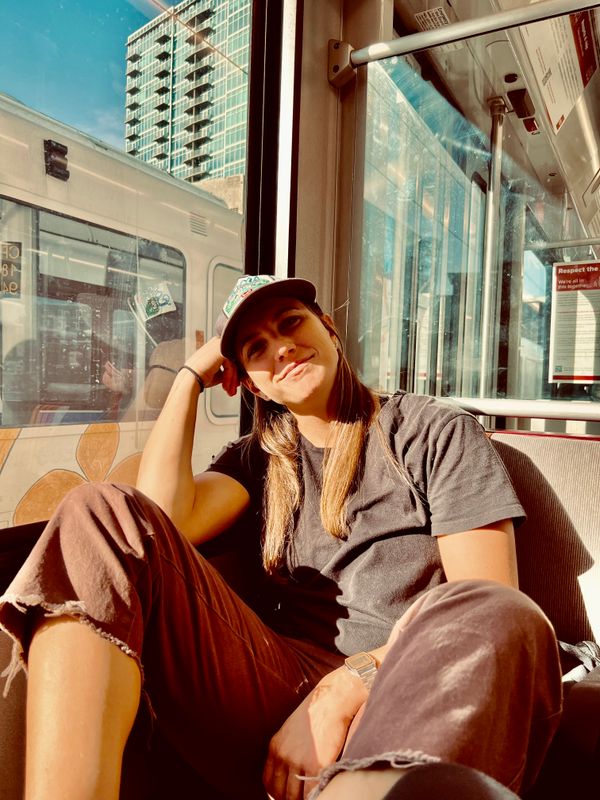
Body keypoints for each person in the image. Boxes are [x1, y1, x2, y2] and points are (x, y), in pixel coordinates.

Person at [0, 274, 562, 800]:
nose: (283, 349)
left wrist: (347, 686)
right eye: (257, 349)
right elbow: (159, 520)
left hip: (408, 679)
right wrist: (190, 377)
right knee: (97, 510)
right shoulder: (260, 462)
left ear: (329, 330)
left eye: (291, 323)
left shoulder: (429, 431)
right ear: (250, 384)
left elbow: (484, 602)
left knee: (501, 611)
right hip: (282, 679)